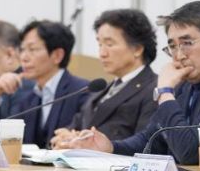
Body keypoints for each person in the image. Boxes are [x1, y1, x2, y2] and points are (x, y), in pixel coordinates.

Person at [70, 1, 200, 168]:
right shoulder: (186, 81)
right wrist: (111, 147)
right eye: (172, 46)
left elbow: (189, 152)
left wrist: (165, 92)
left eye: (187, 43)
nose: (178, 55)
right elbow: (152, 139)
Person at [50, 9, 158, 148]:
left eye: (109, 44)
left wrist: (90, 144)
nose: (102, 53)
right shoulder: (102, 89)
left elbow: (146, 144)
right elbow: (75, 127)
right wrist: (65, 138)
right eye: (100, 44)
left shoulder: (154, 88)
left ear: (137, 49)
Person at [0, 20, 89, 148]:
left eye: (32, 49)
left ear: (57, 55)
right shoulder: (28, 99)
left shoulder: (83, 92)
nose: (24, 57)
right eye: (22, 50)